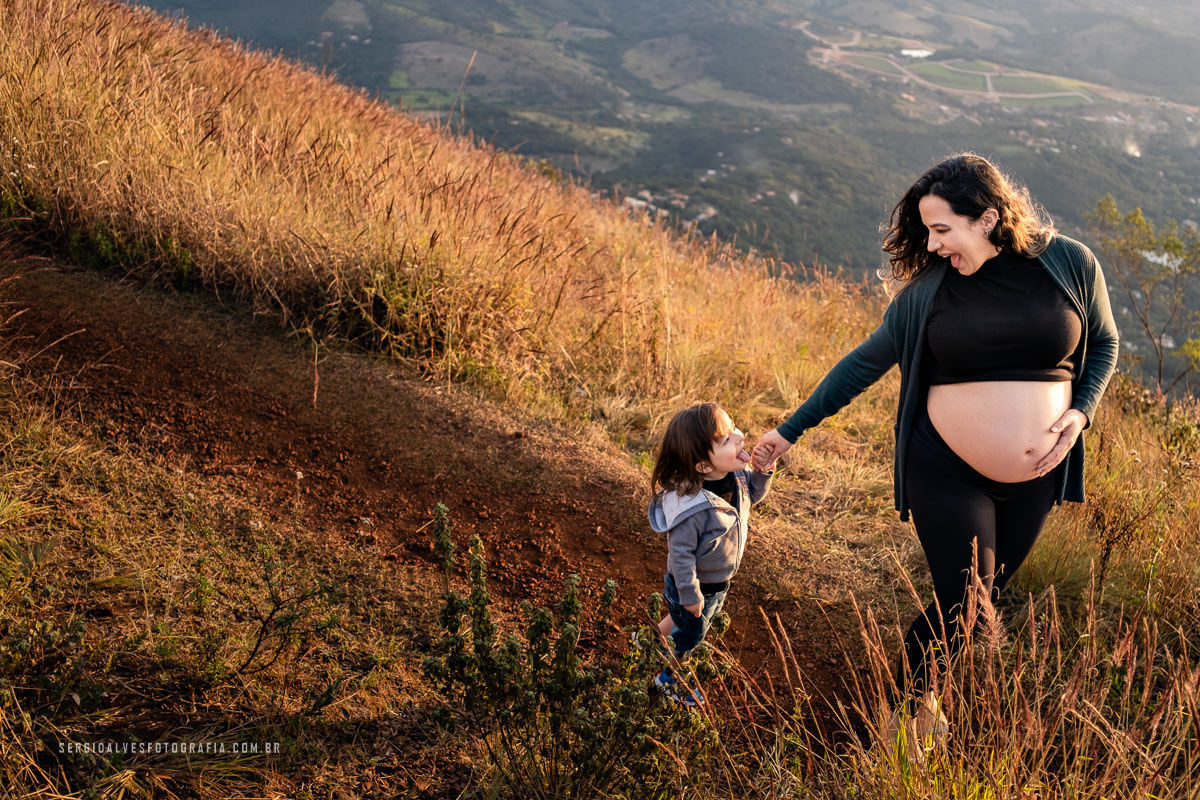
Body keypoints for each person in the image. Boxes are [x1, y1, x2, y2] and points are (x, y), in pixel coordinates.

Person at [751, 153, 1119, 721]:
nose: (932, 244)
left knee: (978, 602)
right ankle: (905, 713)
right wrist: (789, 430)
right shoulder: (929, 292)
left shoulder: (1068, 263)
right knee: (965, 605)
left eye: (942, 229)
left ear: (989, 219)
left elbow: (1104, 346)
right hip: (944, 469)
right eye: (927, 230)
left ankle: (920, 702)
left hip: (1036, 481)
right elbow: (863, 363)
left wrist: (1081, 413)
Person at [647, 402, 775, 706]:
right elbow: (680, 556)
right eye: (727, 439)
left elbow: (752, 495)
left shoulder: (736, 476)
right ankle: (668, 680)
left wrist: (763, 471)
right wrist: (690, 594)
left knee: (681, 620)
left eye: (734, 429)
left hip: (716, 583)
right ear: (703, 466)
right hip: (691, 587)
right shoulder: (692, 508)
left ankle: (648, 639)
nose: (740, 437)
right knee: (691, 636)